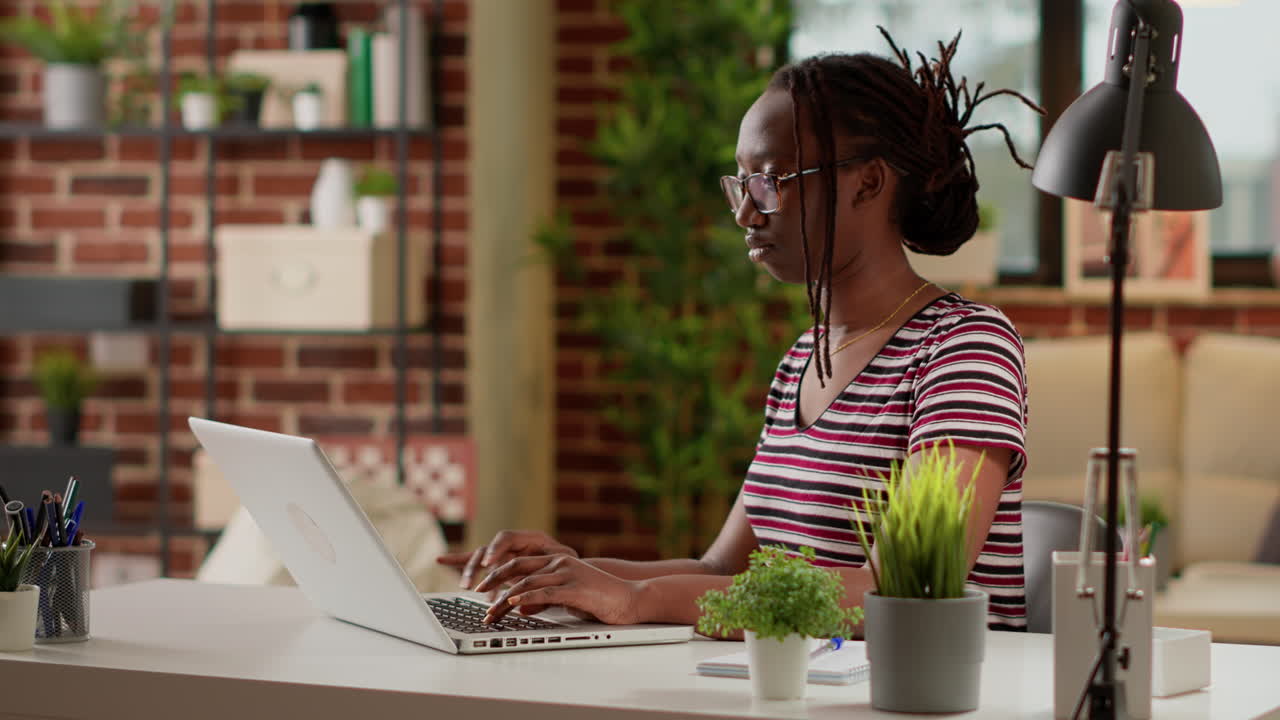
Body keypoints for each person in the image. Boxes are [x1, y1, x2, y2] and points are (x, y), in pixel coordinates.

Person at [440, 30, 1044, 632]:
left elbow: (908, 590)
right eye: (742, 183)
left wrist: (638, 599)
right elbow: (721, 570)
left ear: (867, 182)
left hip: (931, 681)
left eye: (772, 181)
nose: (746, 212)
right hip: (812, 679)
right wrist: (571, 574)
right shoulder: (804, 359)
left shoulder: (963, 349)